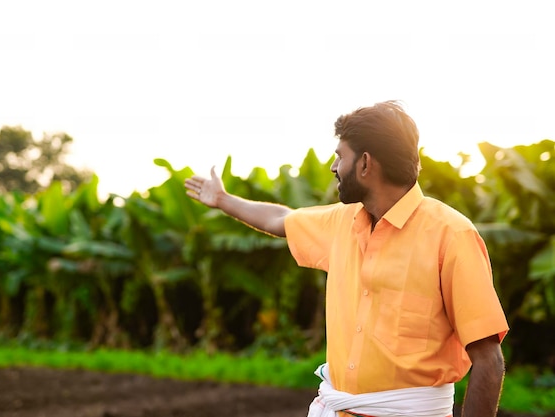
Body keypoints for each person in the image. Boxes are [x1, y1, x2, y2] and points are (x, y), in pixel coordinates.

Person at [184, 101, 508, 417]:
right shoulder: (341, 221)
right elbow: (280, 219)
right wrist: (223, 200)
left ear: (366, 164)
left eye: (340, 156)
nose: (333, 167)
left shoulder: (451, 235)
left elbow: (488, 362)